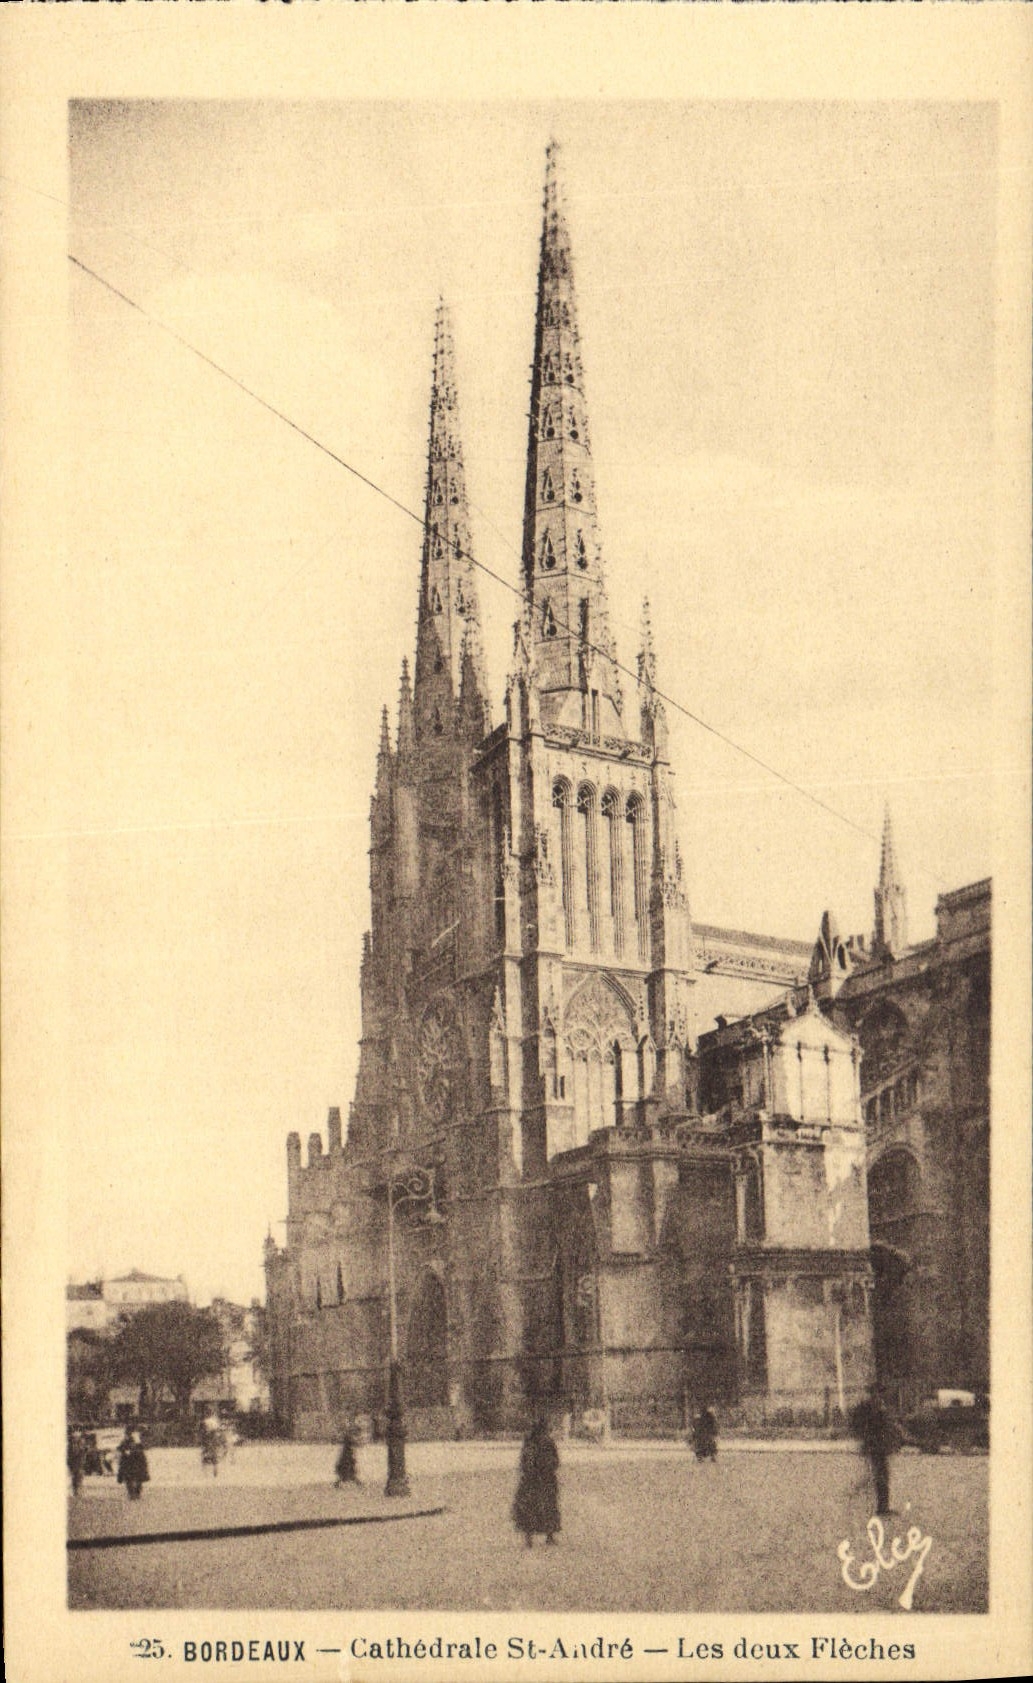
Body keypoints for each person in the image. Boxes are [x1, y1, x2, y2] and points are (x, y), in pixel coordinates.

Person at [851, 1390, 902, 1517]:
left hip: (877, 1447)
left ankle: (881, 1506)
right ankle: (882, 1507)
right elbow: (880, 1427)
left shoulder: (871, 1408)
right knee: (881, 1476)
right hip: (877, 1448)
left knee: (879, 1475)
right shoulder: (874, 1409)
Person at [512, 1416, 560, 1548]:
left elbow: (524, 1460)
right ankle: (549, 1536)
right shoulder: (548, 1441)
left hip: (529, 1479)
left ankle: (528, 1538)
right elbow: (555, 1461)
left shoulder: (529, 1441)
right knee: (548, 1505)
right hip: (546, 1479)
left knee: (528, 1507)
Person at [118, 1430, 150, 1501]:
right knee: (131, 1478)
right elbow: (120, 1449)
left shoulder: (136, 1440)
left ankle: (134, 1494)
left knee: (135, 1478)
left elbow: (142, 1448)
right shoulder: (126, 1441)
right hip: (130, 1462)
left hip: (135, 1462)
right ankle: (133, 1494)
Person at [67, 1430, 87, 1495]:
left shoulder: (81, 1444)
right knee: (75, 1477)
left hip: (79, 1463)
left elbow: (82, 1453)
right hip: (73, 1463)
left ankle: (79, 1491)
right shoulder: (70, 1445)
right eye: (74, 1437)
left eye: (76, 1437)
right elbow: (70, 1454)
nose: (75, 1439)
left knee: (79, 1477)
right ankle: (76, 1491)